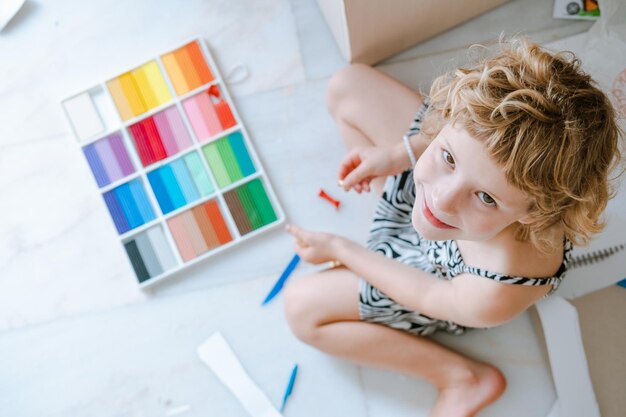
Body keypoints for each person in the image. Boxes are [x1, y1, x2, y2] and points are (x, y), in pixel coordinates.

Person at [282, 37, 623, 417]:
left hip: (435, 279)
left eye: (487, 198)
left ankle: (461, 378)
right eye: (448, 157)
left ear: (532, 214)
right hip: (445, 214)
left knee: (301, 310)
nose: (442, 200)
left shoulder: (498, 287)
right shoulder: (478, 141)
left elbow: (427, 296)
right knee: (347, 86)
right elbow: (454, 140)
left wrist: (342, 249)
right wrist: (398, 155)